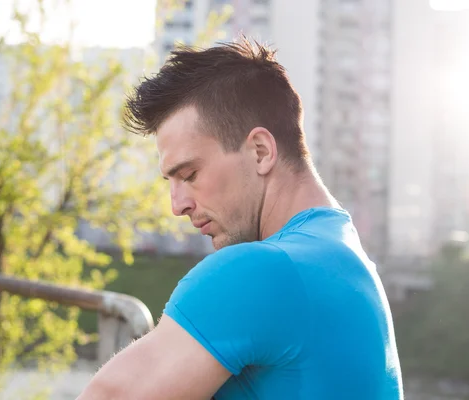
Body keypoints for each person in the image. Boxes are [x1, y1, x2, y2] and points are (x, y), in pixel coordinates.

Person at [77, 39, 403, 399]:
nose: (177, 205)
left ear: (260, 151)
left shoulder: (263, 270)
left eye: (189, 175)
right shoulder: (345, 258)